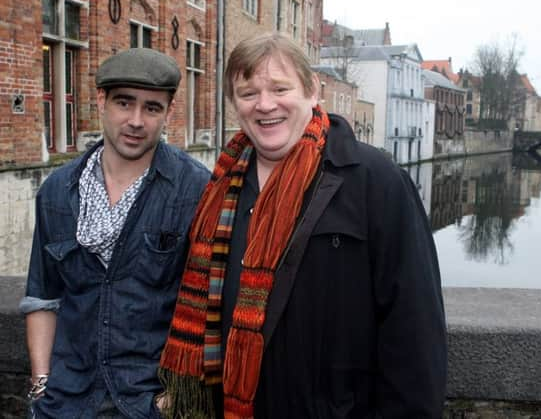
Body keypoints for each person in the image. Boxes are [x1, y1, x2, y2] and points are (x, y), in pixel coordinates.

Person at [159, 33, 447, 418]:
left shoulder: (373, 180)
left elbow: (415, 331)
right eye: (248, 94)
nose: (265, 105)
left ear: (312, 91)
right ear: (234, 104)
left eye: (280, 88)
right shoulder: (220, 186)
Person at [20, 48, 211, 418]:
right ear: (101, 101)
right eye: (125, 103)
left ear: (168, 113)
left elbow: (209, 304)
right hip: (67, 401)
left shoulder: (195, 190)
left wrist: (175, 397)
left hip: (148, 402)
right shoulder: (57, 192)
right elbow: (43, 297)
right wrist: (42, 385)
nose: (136, 121)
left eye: (152, 108)